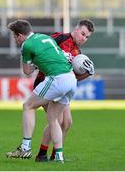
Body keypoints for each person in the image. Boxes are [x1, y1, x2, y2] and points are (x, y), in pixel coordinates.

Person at [6, 19, 79, 163]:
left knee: (28, 106)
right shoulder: (45, 37)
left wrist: (35, 64)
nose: (15, 40)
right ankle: (58, 156)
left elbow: (27, 71)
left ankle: (25, 148)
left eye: (15, 36)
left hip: (57, 79)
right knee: (53, 118)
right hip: (72, 79)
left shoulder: (26, 45)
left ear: (20, 35)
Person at [35, 19, 95, 162]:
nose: (84, 38)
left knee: (67, 122)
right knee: (57, 119)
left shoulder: (78, 54)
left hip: (62, 87)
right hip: (47, 83)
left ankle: (54, 154)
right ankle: (42, 155)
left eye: (87, 37)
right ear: (76, 29)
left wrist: (87, 73)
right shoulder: (59, 38)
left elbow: (72, 78)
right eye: (82, 34)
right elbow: (41, 48)